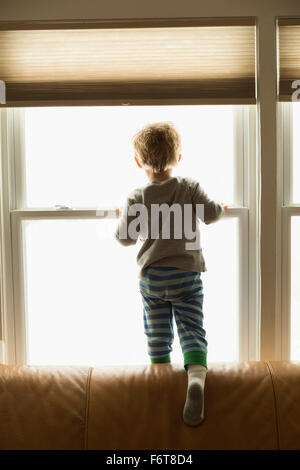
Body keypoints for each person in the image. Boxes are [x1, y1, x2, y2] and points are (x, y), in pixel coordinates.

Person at [115, 121, 227, 426]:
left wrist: (122, 218)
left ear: (139, 162)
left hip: (152, 278)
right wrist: (223, 208)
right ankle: (196, 378)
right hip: (186, 275)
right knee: (192, 329)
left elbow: (124, 238)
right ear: (178, 157)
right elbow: (211, 214)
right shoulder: (189, 187)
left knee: (157, 334)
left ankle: (162, 384)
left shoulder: (137, 197)